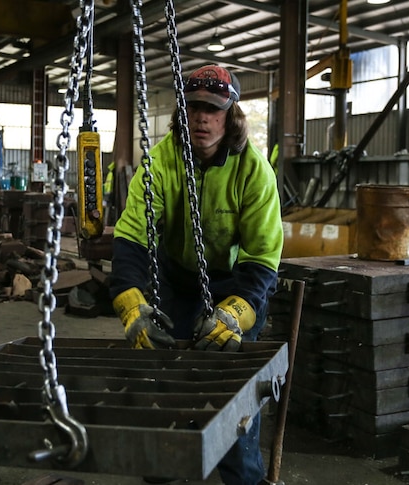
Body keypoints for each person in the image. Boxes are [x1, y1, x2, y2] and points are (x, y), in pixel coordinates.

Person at [109, 64, 283, 485]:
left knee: (233, 395)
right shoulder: (160, 162)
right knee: (166, 384)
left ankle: (243, 478)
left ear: (231, 115)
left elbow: (262, 258)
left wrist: (235, 313)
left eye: (213, 109)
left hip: (235, 286)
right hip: (175, 282)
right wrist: (132, 304)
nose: (202, 117)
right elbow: (132, 238)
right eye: (193, 107)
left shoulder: (253, 172)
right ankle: (164, 471)